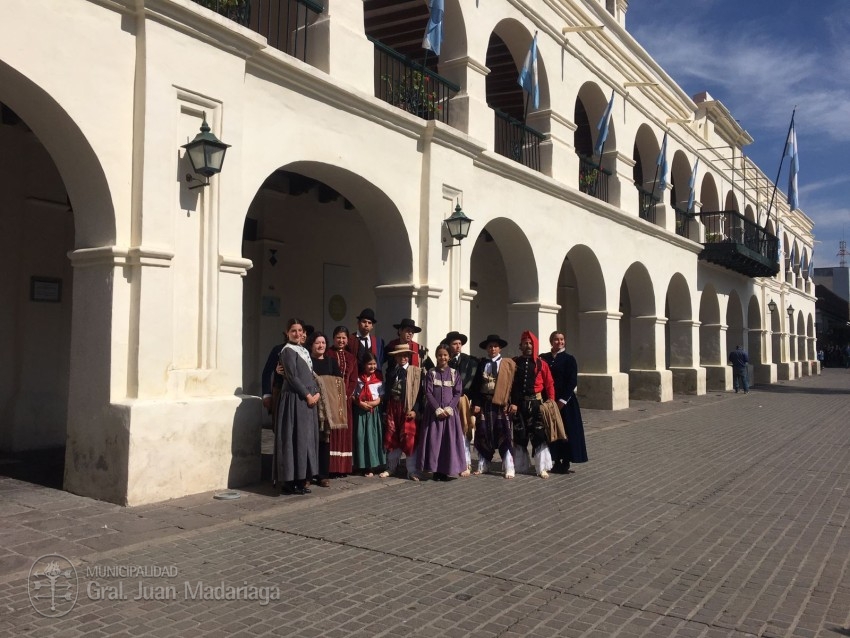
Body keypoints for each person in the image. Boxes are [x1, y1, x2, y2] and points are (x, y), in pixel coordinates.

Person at [275, 318, 320, 495]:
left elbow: (309, 374)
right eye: (293, 330)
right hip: (295, 399)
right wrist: (308, 395)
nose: (297, 333)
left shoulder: (303, 350)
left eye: (300, 330)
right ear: (287, 332)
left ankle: (302, 479)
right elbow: (292, 377)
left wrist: (315, 392)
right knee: (293, 438)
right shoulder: (287, 351)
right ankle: (289, 481)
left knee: (306, 439)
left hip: (306, 399)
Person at [510, 331, 559, 479]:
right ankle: (520, 465)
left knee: (539, 435)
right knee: (519, 435)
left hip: (536, 403)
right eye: (525, 343)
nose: (528, 345)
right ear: (521, 345)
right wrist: (512, 403)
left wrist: (551, 401)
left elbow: (549, 383)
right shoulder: (514, 362)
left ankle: (542, 467)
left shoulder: (541, 363)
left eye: (530, 343)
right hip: (518, 404)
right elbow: (510, 385)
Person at [540, 331, 588, 474]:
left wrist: (562, 401)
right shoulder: (544, 358)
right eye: (556, 339)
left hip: (565, 402)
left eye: (561, 339)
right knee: (551, 429)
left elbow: (572, 381)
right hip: (549, 400)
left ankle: (566, 460)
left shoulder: (569, 359)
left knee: (566, 430)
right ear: (551, 341)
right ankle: (555, 460)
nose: (559, 342)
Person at [418, 344, 468, 481]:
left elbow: (458, 392)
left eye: (445, 355)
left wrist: (450, 407)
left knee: (448, 442)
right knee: (435, 442)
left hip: (449, 414)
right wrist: (436, 408)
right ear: (436, 356)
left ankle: (447, 470)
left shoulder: (454, 373)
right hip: (434, 414)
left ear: (449, 357)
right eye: (440, 355)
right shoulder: (431, 373)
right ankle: (435, 470)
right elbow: (428, 392)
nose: (443, 357)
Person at [470, 334, 517, 478]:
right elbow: (476, 386)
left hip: (501, 404)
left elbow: (513, 385)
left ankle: (509, 467)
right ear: (486, 349)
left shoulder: (508, 364)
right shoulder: (482, 364)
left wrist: (514, 402)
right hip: (485, 403)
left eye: (495, 346)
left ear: (500, 348)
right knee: (483, 434)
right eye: (490, 346)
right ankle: (484, 464)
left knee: (504, 434)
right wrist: (476, 403)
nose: (493, 349)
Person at [309, 332, 346, 488]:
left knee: (324, 441)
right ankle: (309, 474)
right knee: (310, 441)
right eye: (317, 343)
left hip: (326, 409)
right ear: (311, 345)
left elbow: (338, 384)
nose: (321, 346)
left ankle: (323, 475)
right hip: (310, 405)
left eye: (323, 343)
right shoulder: (307, 362)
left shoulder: (331, 363)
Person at [381, 343, 423, 480]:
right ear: (396, 358)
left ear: (409, 357)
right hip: (393, 409)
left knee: (409, 438)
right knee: (392, 437)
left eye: (405, 355)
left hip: (408, 408)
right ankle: (391, 467)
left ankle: (411, 471)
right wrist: (385, 410)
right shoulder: (391, 372)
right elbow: (387, 392)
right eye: (399, 356)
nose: (402, 358)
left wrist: (415, 410)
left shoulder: (416, 372)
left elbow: (419, 394)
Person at [445, 330, 478, 476]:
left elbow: (474, 383)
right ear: (449, 345)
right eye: (454, 343)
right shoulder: (445, 360)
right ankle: (450, 462)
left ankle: (466, 463)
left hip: (463, 399)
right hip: (446, 400)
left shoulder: (469, 361)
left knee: (464, 430)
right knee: (449, 431)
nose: (458, 346)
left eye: (460, 343)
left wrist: (474, 402)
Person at [328, 326, 358, 476]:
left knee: (344, 432)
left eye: (344, 338)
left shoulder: (351, 358)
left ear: (347, 340)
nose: (341, 340)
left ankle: (343, 467)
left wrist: (346, 394)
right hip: (330, 399)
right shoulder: (328, 353)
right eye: (338, 337)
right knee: (332, 432)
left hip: (345, 401)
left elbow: (353, 380)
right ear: (334, 338)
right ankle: (331, 467)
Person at [352, 351, 385, 476]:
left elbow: (382, 396)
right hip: (360, 411)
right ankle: (360, 464)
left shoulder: (378, 379)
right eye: (369, 364)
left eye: (374, 364)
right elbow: (353, 395)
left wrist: (375, 403)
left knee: (373, 437)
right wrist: (360, 404)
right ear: (364, 365)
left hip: (373, 412)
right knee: (361, 437)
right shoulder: (358, 379)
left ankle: (371, 465)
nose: (372, 367)